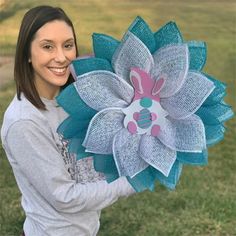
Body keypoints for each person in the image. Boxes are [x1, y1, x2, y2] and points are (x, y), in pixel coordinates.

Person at [1, 5, 135, 236]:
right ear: (27, 54)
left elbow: (94, 166)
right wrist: (132, 181)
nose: (62, 57)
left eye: (68, 45)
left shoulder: (71, 103)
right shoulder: (24, 122)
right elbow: (65, 198)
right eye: (47, 47)